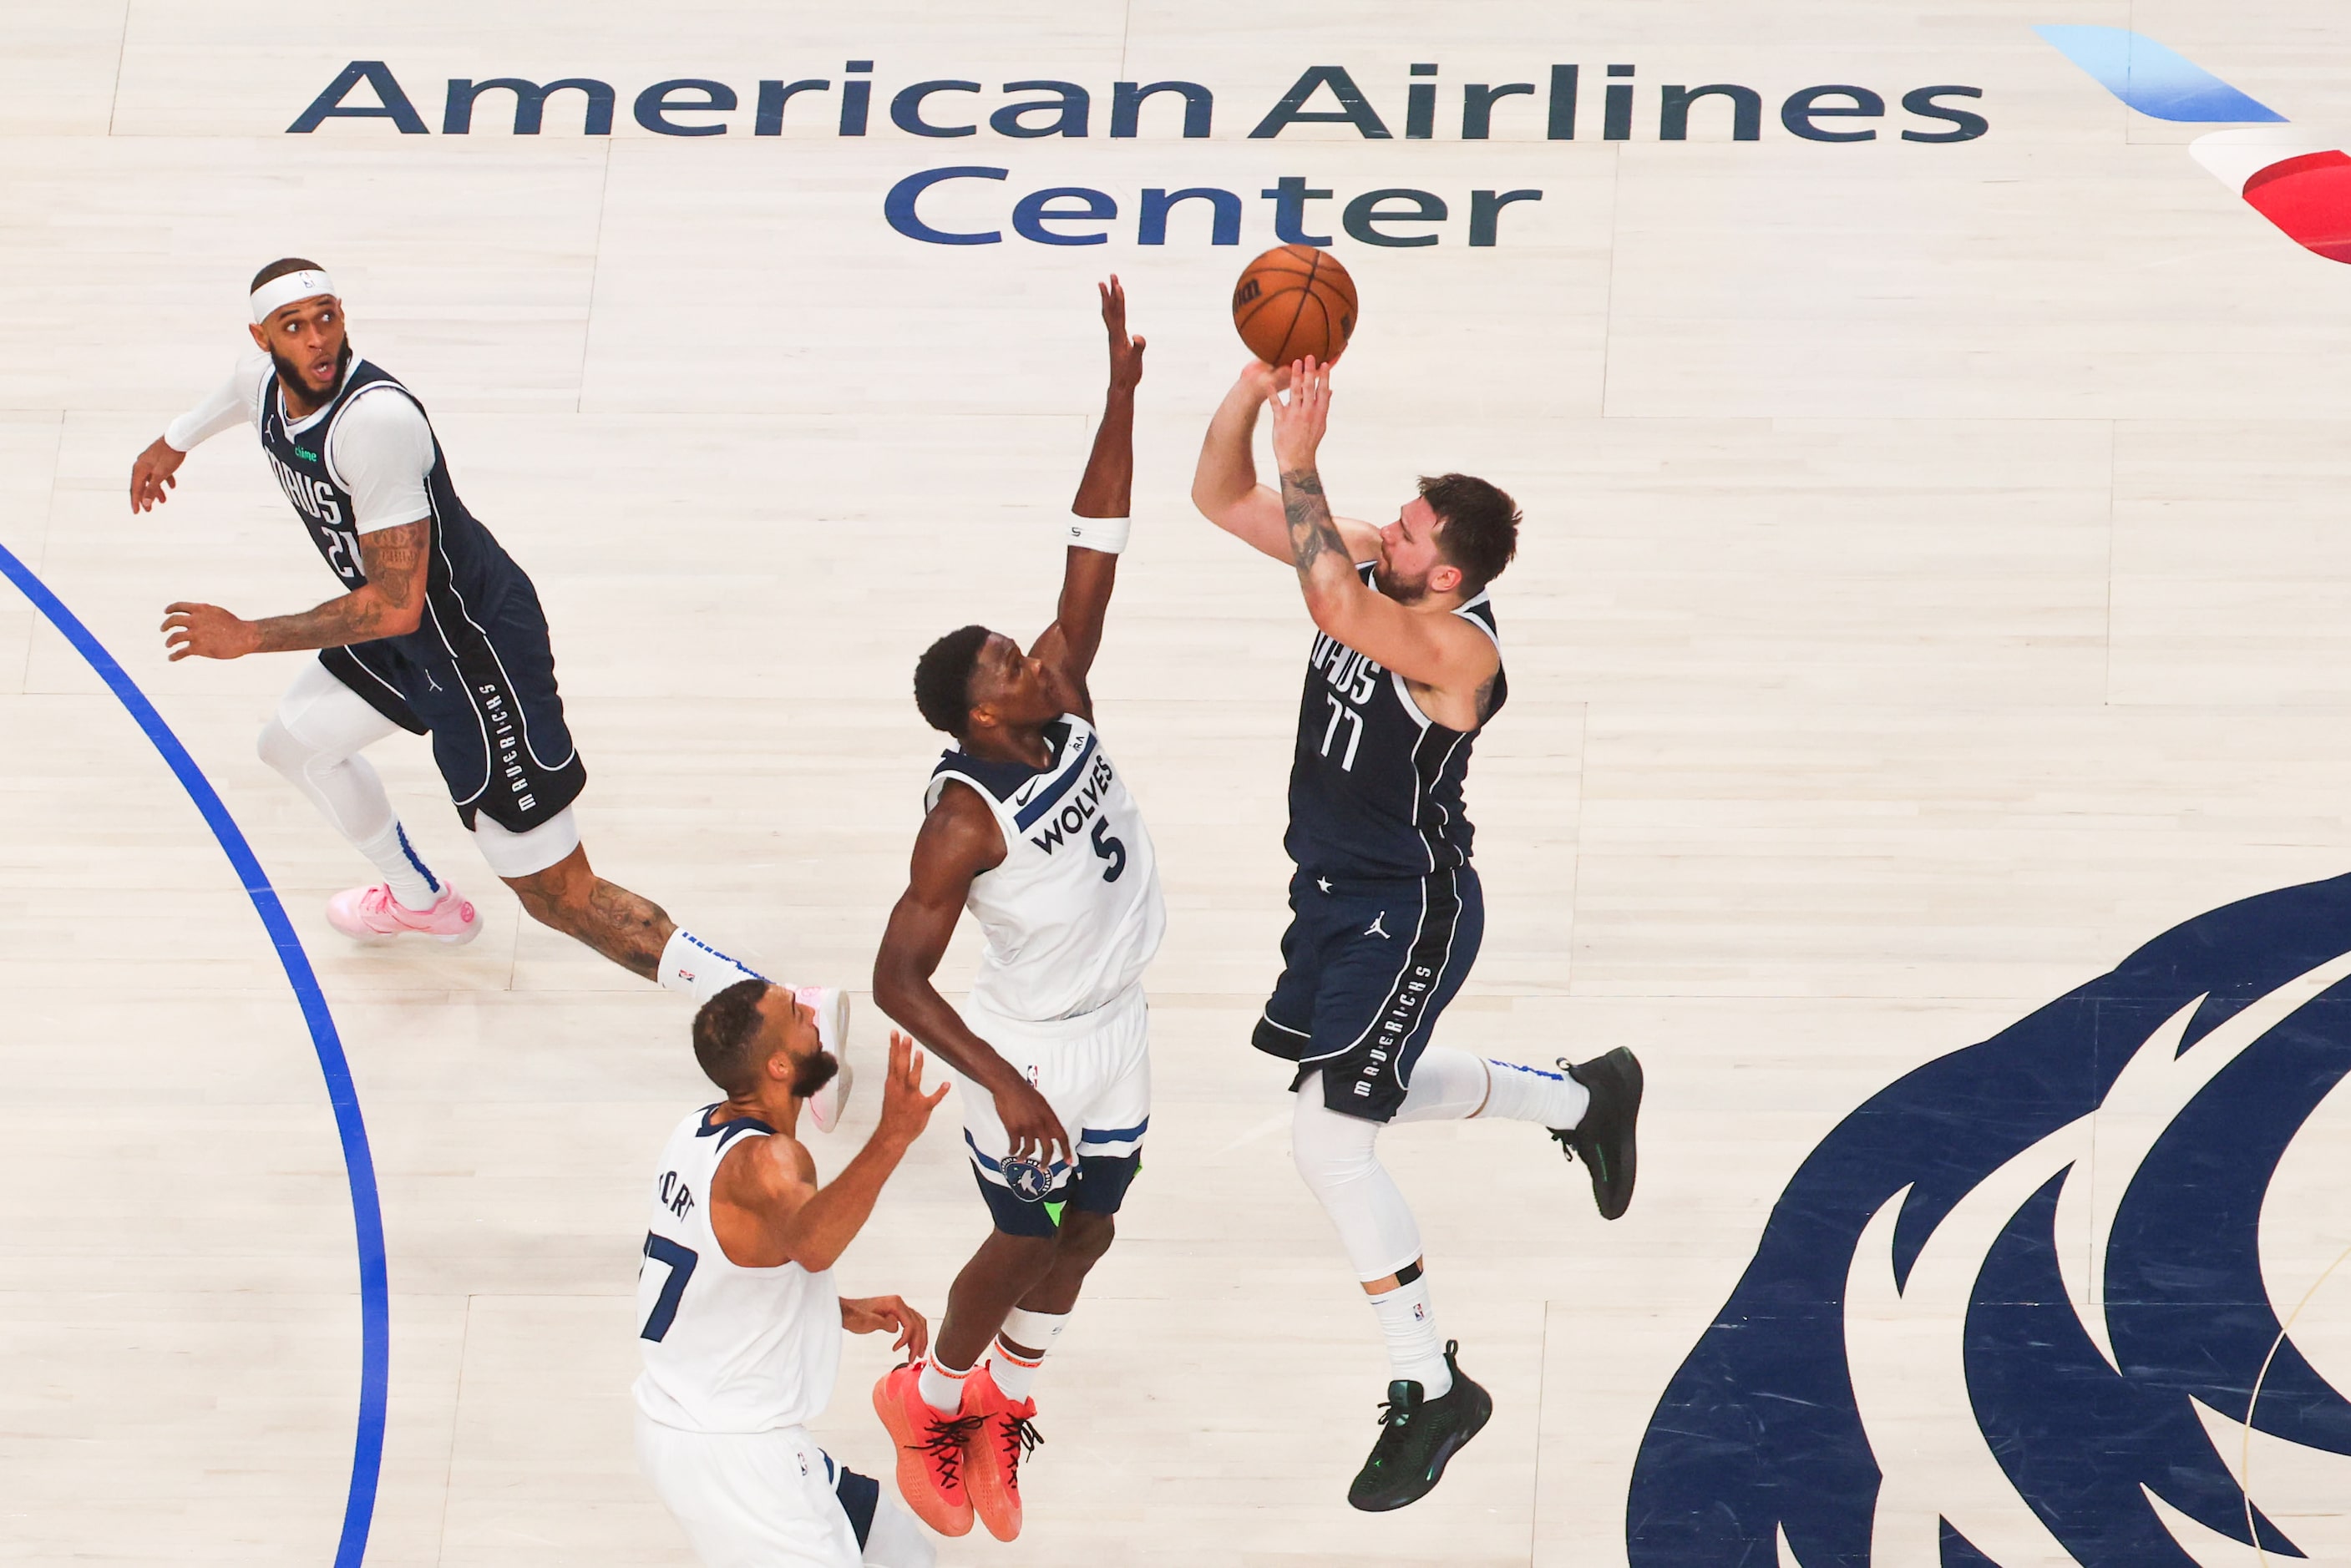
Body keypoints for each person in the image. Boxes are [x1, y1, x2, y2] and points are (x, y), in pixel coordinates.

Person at [1189, 355, 1644, 1512]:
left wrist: (1301, 457)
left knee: (1328, 1136)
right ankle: (1581, 1098)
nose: (1377, 535)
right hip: (1333, 896)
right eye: (1384, 520)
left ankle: (1427, 1379)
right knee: (1362, 1090)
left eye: (1399, 532)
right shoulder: (1380, 564)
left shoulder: (1460, 653)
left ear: (1441, 573)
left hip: (1409, 908)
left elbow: (1330, 599)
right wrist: (1252, 391)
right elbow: (1219, 498)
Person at [124, 260, 801, 1011]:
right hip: (406, 626)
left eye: (327, 317)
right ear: (263, 338)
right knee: (295, 743)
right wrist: (173, 442)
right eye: (295, 326)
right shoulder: (267, 385)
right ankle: (420, 901)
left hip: (474, 648)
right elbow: (238, 391)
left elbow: (393, 607)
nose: (318, 339)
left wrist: (249, 635)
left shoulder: (374, 423)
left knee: (557, 895)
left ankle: (775, 1003)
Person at [866, 278, 1160, 1544]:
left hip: (1117, 1023)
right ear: (982, 714)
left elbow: (1094, 541)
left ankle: (1004, 1412)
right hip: (1031, 1045)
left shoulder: (1066, 699)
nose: (1036, 659)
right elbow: (895, 978)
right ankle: (925, 1396)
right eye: (1009, 663)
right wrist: (1003, 1085)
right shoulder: (962, 819)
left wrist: (1117, 393)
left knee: (1086, 1235)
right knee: (1013, 1242)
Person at [636, 979, 946, 1567]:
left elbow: (731, 1273)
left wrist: (839, 1311)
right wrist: (893, 1135)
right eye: (796, 1013)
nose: (812, 1012)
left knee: (902, 1555)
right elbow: (811, 1245)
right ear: (779, 1066)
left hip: (691, 1421)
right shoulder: (771, 1161)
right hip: (734, 1456)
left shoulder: (696, 1132)